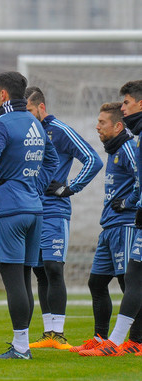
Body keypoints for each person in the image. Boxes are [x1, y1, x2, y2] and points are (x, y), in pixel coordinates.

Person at [0, 71, 59, 360]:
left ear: (3, 95)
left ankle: (21, 348)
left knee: (14, 280)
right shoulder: (35, 123)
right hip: (35, 210)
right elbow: (52, 160)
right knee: (24, 277)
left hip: (9, 210)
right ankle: (22, 346)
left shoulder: (0, 123)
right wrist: (35, 186)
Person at [23, 87, 102, 350]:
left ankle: (59, 333)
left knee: (54, 268)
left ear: (41, 108)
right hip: (32, 209)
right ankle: (48, 333)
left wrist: (70, 188)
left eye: (31, 112)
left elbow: (92, 159)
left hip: (55, 211)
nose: (29, 117)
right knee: (40, 271)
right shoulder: (26, 133)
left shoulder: (60, 130)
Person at [69, 102, 142, 355]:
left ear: (118, 126)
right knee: (96, 283)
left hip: (125, 225)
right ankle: (100, 338)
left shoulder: (130, 148)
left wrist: (129, 203)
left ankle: (135, 342)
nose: (97, 126)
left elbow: (140, 179)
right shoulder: (113, 150)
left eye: (102, 122)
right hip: (109, 227)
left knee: (129, 284)